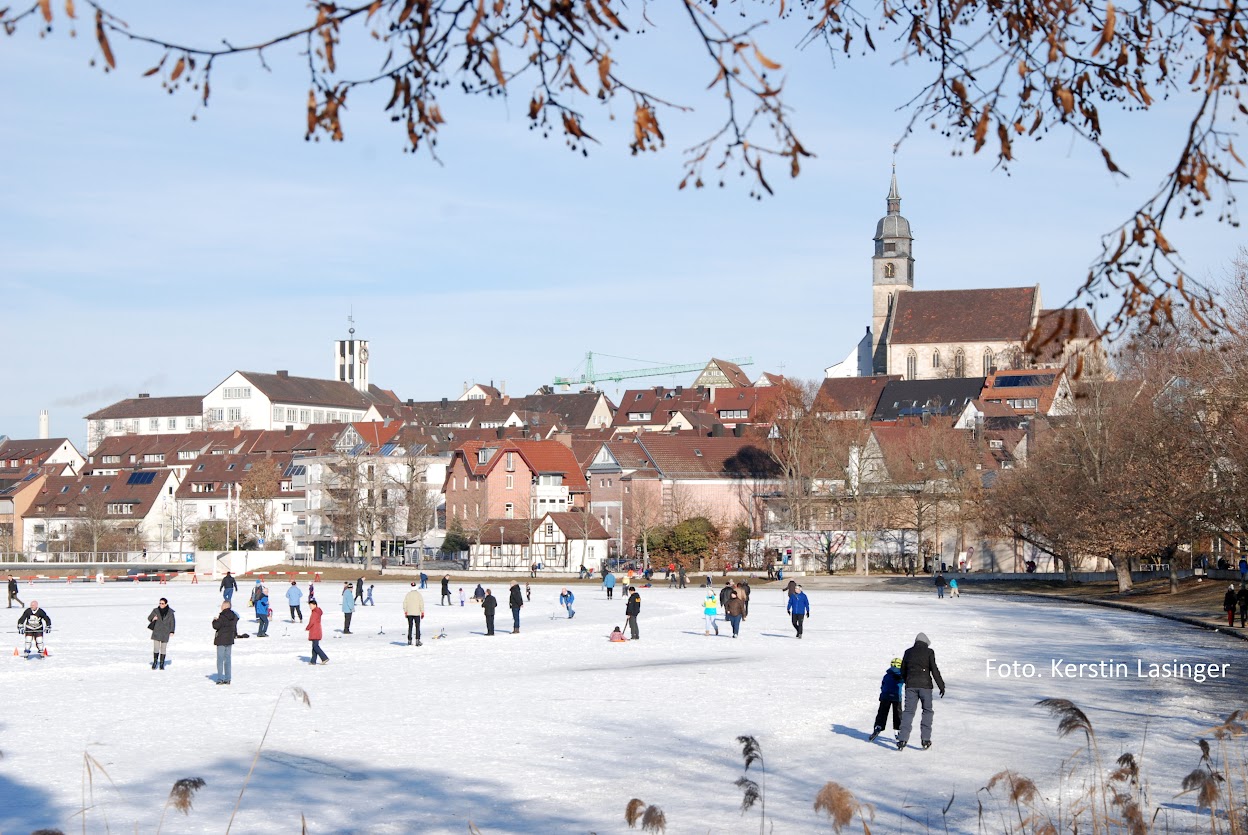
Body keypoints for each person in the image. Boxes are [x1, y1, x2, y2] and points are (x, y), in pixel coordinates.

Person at [897, 632, 946, 751]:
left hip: (911, 686)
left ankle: (902, 739)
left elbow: (903, 669)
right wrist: (941, 685)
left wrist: (907, 680)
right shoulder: (929, 652)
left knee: (908, 712)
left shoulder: (908, 652)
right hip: (925, 686)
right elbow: (934, 669)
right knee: (927, 711)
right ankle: (925, 739)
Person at [869, 658, 905, 742]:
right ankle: (898, 730)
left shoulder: (887, 675)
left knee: (882, 712)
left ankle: (878, 726)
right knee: (897, 714)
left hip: (885, 696)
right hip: (896, 696)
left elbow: (883, 685)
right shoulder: (901, 675)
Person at [211, 601, 238, 685]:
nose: (221, 607)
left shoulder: (222, 616)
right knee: (228, 659)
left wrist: (214, 621)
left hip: (221, 640)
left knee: (220, 659)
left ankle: (220, 678)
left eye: (222, 605)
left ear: (225, 606)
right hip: (229, 639)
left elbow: (216, 626)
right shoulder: (234, 616)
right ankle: (227, 678)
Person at [147, 597, 175, 669]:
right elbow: (149, 618)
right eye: (160, 603)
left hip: (165, 632)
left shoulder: (170, 612)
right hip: (157, 631)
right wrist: (153, 618)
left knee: (163, 648)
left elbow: (172, 622)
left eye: (162, 603)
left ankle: (162, 663)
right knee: (156, 648)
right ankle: (155, 662)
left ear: (166, 604)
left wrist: (172, 631)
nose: (161, 605)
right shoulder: (155, 610)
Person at [403, 581, 426, 646]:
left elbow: (405, 603)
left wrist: (405, 611)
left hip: (409, 613)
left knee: (410, 627)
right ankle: (417, 640)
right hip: (416, 613)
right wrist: (422, 612)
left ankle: (409, 640)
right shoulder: (418, 595)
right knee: (417, 627)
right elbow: (421, 603)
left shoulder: (408, 594)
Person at [306, 599, 328, 664]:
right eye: (309, 605)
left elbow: (312, 622)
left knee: (315, 646)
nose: (310, 607)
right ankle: (313, 661)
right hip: (316, 630)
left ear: (315, 605)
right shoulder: (316, 611)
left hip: (315, 630)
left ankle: (324, 658)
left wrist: (308, 627)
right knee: (314, 646)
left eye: (311, 605)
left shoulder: (315, 612)